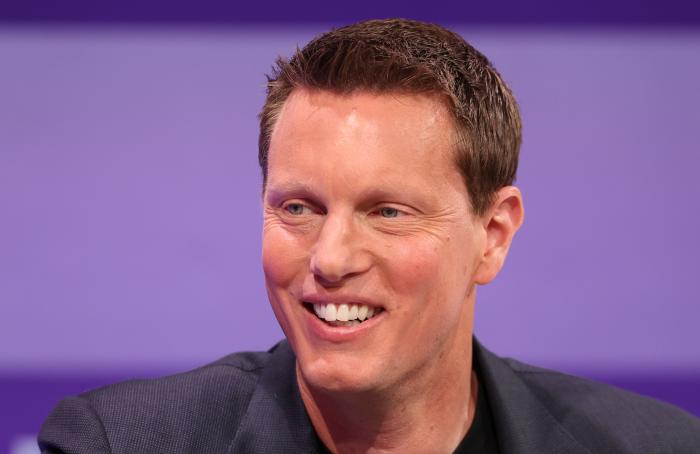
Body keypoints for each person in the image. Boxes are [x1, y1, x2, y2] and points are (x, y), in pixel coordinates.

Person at [39, 18, 700, 454]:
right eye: (299, 208)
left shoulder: (656, 447)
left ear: (493, 235)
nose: (330, 259)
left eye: (387, 212)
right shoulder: (121, 443)